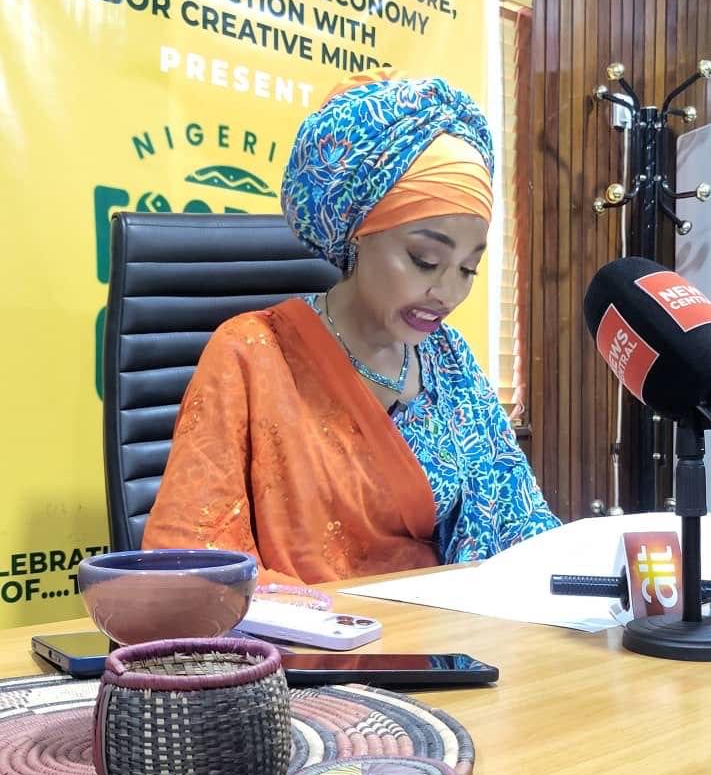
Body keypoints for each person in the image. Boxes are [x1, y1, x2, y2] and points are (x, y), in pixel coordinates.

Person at [143, 70, 560, 586]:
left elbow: (520, 523)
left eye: (468, 269)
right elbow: (192, 557)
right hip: (306, 632)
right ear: (358, 233)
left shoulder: (449, 359)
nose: (448, 294)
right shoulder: (251, 353)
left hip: (446, 626)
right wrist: (328, 617)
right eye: (425, 260)